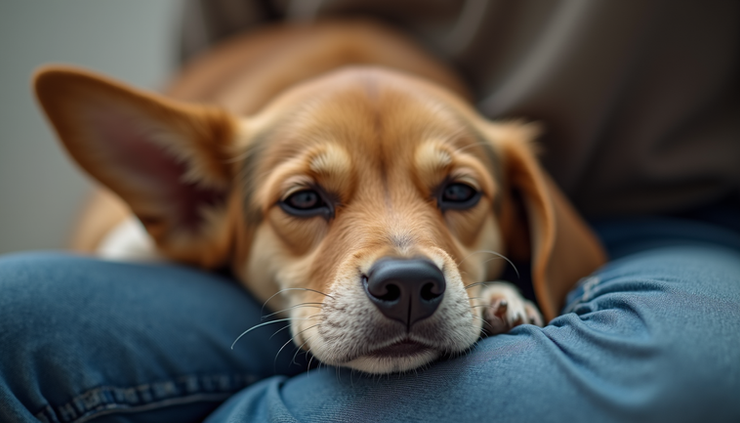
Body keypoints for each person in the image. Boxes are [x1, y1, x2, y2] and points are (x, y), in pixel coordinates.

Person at [2, 1, 739, 421]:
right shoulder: (218, 183)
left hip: (673, 226)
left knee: (697, 367)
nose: (404, 268)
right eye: (306, 197)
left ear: (521, 216)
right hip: (240, 281)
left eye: (455, 192)